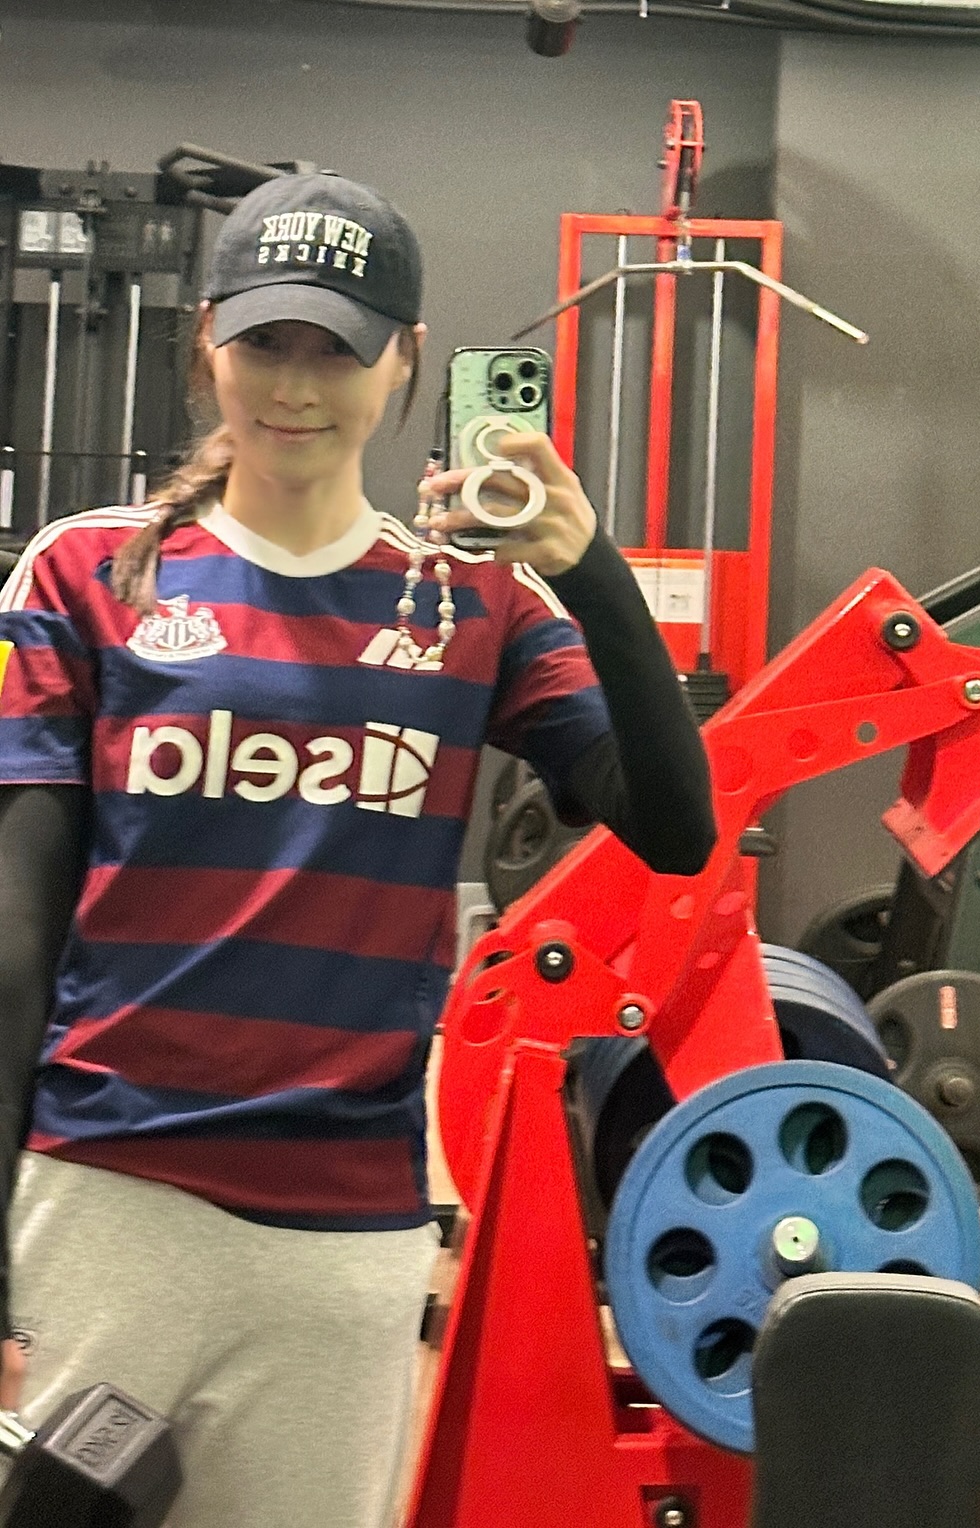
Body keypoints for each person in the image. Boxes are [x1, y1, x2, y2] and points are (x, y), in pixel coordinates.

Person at [0, 172, 715, 1527]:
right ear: (208, 339)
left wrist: (590, 567)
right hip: (104, 1197)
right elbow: (15, 937)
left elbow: (676, 828)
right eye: (264, 342)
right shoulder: (83, 575)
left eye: (336, 349)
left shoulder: (473, 603)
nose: (294, 386)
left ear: (407, 360)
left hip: (343, 1240)